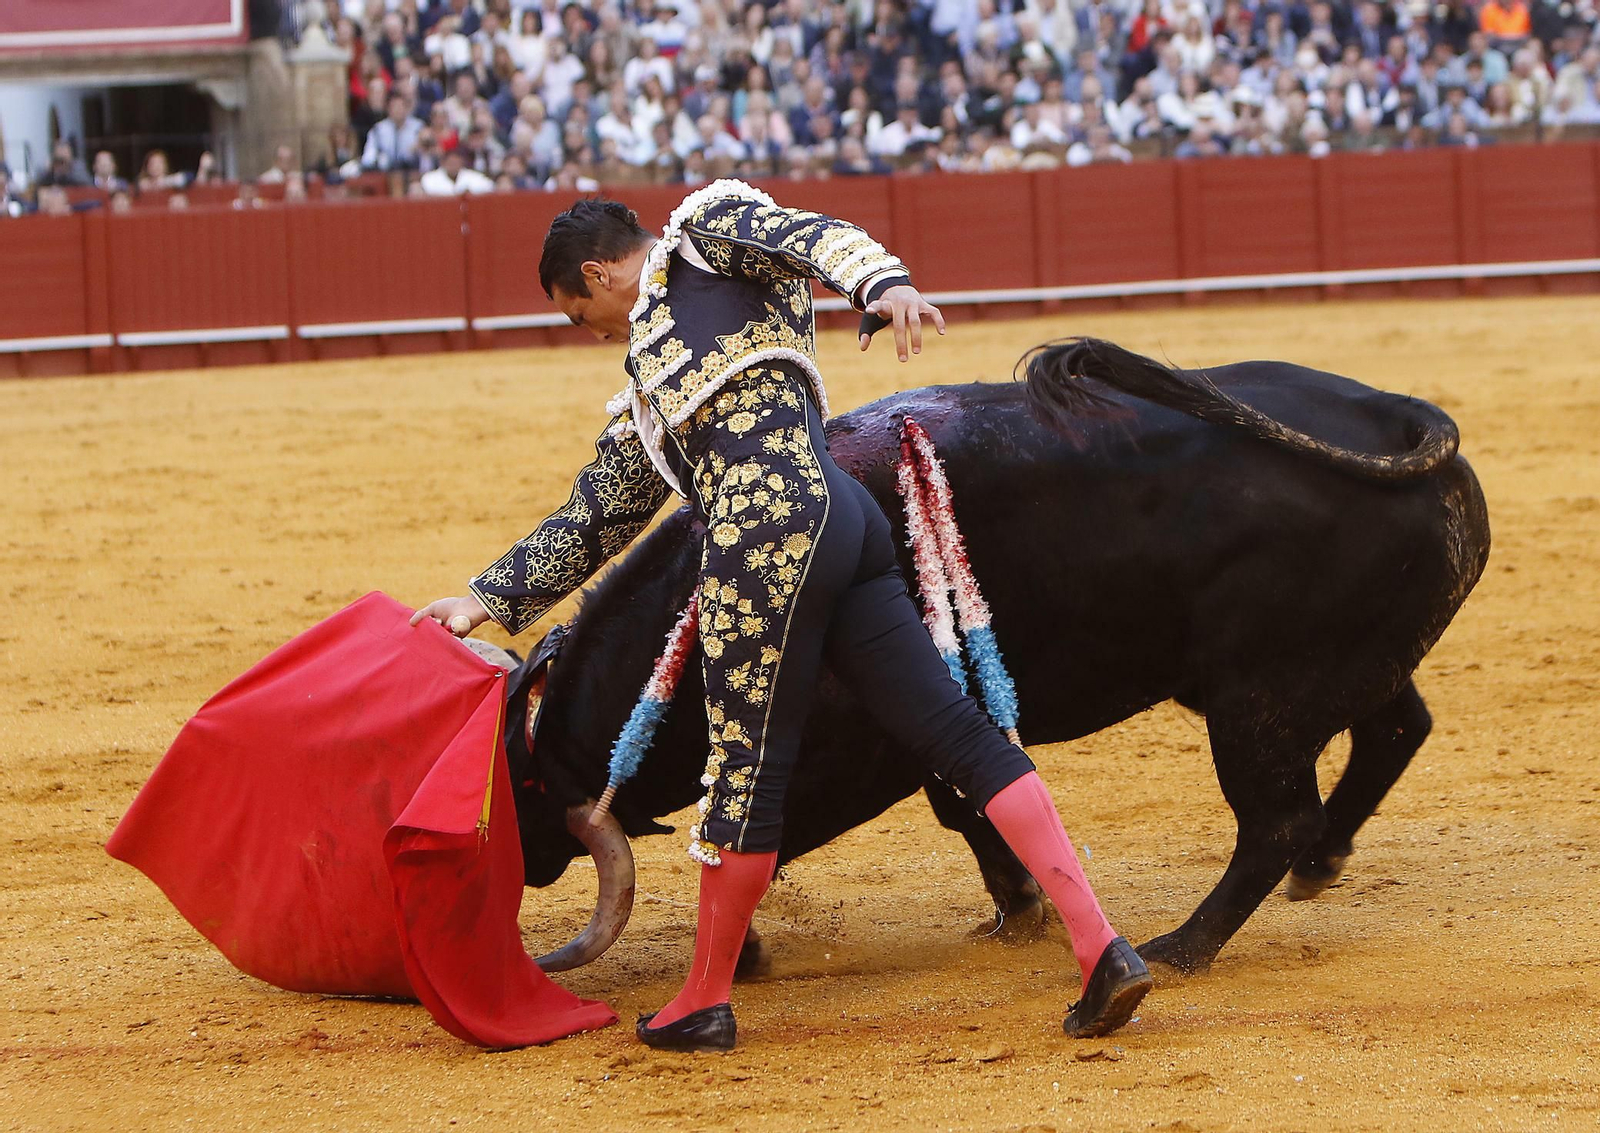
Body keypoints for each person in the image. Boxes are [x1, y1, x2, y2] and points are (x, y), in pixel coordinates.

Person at [411, 182, 1153, 1051]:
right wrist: (488, 598)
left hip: (761, 542)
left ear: (599, 273)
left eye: (583, 315)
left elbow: (810, 234)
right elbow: (601, 513)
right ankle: (1101, 943)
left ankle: (702, 997)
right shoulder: (652, 384)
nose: (597, 335)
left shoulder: (702, 233)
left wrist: (884, 285)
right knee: (953, 730)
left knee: (745, 770)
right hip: (844, 519)